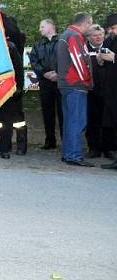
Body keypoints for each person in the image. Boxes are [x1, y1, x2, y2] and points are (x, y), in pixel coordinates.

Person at [57, 12, 94, 167]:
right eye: (90, 24)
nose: (90, 27)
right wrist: (87, 80)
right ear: (85, 23)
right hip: (75, 85)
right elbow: (79, 61)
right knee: (77, 121)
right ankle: (74, 155)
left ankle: (68, 153)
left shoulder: (65, 35)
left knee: (70, 121)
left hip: (66, 84)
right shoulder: (74, 36)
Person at [28, 19, 63, 150]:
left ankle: (66, 141)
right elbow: (34, 61)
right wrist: (44, 73)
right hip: (45, 82)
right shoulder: (37, 45)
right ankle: (50, 140)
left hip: (61, 81)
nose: (40, 29)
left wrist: (59, 74)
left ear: (51, 26)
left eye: (42, 26)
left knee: (63, 112)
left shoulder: (62, 41)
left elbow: (68, 59)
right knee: (47, 112)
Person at [85, 25, 114, 159]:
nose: (98, 38)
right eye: (95, 35)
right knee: (92, 121)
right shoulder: (83, 49)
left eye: (100, 35)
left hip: (109, 91)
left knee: (108, 121)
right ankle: (94, 148)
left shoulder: (110, 47)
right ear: (89, 37)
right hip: (90, 91)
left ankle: (109, 149)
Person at [99, 13, 117, 169]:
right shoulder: (111, 40)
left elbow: (113, 58)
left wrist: (114, 58)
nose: (110, 30)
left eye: (113, 27)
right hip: (111, 89)